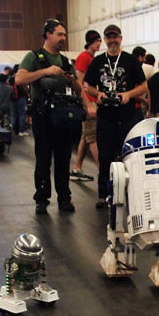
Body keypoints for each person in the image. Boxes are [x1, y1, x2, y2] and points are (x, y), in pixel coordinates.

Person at [15, 18, 82, 215]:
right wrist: (46, 71)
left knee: (63, 158)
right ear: (48, 34)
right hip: (42, 115)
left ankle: (64, 198)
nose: (63, 38)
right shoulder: (34, 57)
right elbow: (19, 78)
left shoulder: (66, 62)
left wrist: (71, 80)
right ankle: (42, 199)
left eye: (64, 35)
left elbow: (79, 89)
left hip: (62, 115)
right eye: (59, 34)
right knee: (43, 158)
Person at [84, 25, 147, 208]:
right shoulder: (98, 61)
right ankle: (104, 193)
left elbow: (143, 86)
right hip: (106, 117)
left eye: (115, 37)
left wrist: (128, 94)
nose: (112, 40)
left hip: (128, 116)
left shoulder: (130, 60)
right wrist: (98, 95)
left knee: (129, 155)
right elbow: (88, 85)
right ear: (105, 39)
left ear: (120, 38)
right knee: (105, 156)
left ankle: (131, 193)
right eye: (109, 37)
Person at [71, 29, 101, 181]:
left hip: (91, 100)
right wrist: (88, 103)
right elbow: (79, 82)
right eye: (96, 41)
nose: (99, 43)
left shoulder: (91, 57)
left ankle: (77, 168)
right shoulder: (84, 57)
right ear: (90, 42)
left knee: (86, 135)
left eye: (99, 41)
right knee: (92, 136)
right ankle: (103, 171)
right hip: (87, 102)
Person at [8, 66, 29, 136]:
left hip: (12, 99)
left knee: (13, 114)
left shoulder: (10, 79)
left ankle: (13, 129)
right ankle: (21, 131)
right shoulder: (20, 78)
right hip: (21, 98)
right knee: (22, 115)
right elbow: (25, 90)